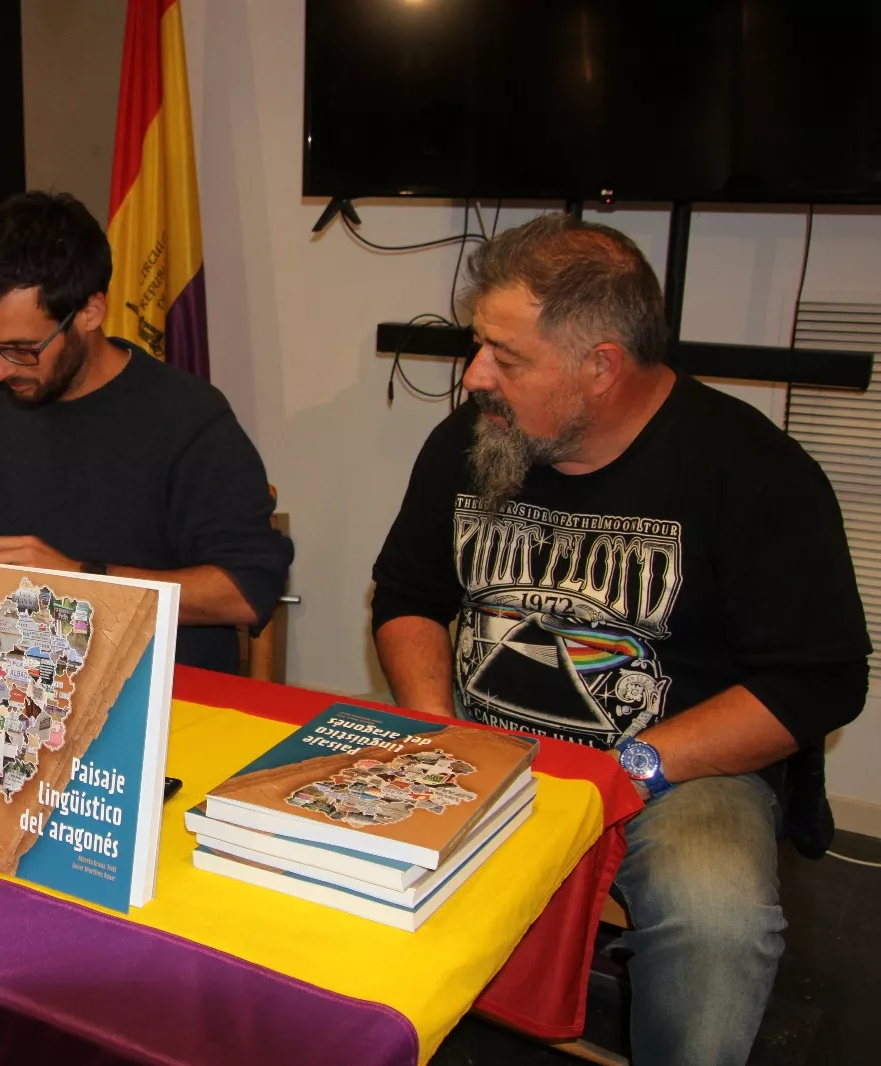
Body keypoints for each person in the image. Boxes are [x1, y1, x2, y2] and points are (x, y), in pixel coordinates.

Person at [370, 213, 870, 1065]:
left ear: (601, 366)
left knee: (715, 920)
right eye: (478, 344)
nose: (473, 378)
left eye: (506, 356)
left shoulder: (754, 471)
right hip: (478, 744)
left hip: (672, 770)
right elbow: (409, 596)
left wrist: (628, 770)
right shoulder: (471, 443)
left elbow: (818, 682)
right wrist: (437, 724)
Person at [0, 191, 292, 673]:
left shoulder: (188, 418)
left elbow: (245, 590)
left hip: (164, 700)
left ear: (89, 312)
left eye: (21, 347)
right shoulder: (7, 406)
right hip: (24, 698)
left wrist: (79, 579)